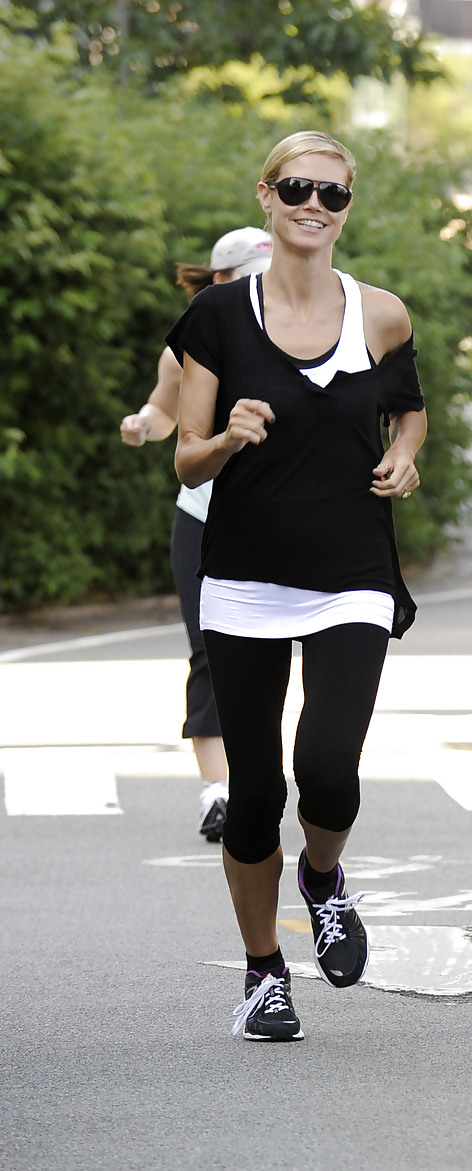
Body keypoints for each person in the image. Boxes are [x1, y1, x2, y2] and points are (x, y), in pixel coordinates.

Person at [170, 130, 427, 1042]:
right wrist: (229, 436)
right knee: (252, 791)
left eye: (333, 193)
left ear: (349, 205)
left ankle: (322, 880)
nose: (314, 205)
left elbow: (410, 410)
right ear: (267, 198)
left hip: (352, 571)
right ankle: (263, 971)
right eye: (296, 189)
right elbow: (184, 457)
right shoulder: (219, 319)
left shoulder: (383, 314)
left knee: (327, 767)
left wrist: (402, 458)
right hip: (241, 574)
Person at [120, 228, 273, 843]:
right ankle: (218, 792)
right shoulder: (188, 347)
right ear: (220, 282)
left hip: (276, 521)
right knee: (208, 650)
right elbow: (163, 410)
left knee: (267, 656)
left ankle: (267, 776)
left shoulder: (306, 334)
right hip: (203, 517)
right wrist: (142, 424)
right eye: (251, 275)